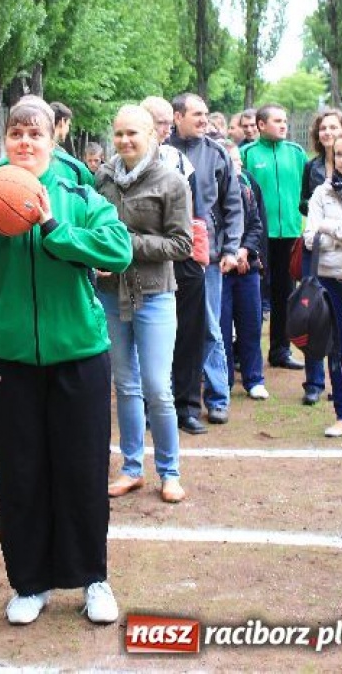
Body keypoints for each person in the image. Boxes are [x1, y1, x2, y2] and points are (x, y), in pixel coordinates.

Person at [0, 100, 132, 626]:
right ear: (5, 140)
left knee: (82, 470)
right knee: (18, 473)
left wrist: (50, 227)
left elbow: (118, 251)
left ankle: (93, 578)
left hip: (80, 354)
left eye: (34, 134)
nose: (25, 142)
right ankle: (29, 583)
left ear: (51, 139)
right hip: (11, 359)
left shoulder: (78, 192)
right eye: (16, 133)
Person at [95, 105, 192, 503]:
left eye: (132, 133)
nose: (124, 141)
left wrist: (126, 244)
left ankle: (170, 472)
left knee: (157, 387)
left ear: (152, 134)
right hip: (109, 294)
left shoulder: (171, 182)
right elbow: (92, 228)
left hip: (154, 294)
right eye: (118, 134)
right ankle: (131, 468)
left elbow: (182, 244)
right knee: (125, 385)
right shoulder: (102, 178)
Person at [167, 93, 243, 425]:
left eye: (206, 114)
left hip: (206, 258)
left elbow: (232, 205)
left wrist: (229, 249)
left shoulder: (216, 154)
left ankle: (217, 397)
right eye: (197, 114)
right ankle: (171, 397)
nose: (204, 120)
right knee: (170, 328)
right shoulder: (161, 153)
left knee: (209, 327)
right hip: (166, 255)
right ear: (177, 116)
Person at [142, 95, 208, 435]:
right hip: (142, 262)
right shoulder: (120, 163)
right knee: (145, 337)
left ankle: (186, 406)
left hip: (182, 260)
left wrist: (195, 256)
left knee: (189, 334)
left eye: (168, 122)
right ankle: (147, 406)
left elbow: (194, 213)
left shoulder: (181, 162)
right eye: (158, 122)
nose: (165, 129)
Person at [304, 129, 342, 438]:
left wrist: (331, 229)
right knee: (337, 347)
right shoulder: (321, 193)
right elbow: (311, 239)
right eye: (338, 154)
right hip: (329, 280)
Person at [241, 105, 306, 372]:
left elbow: (304, 192)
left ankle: (280, 350)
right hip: (258, 237)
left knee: (285, 295)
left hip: (289, 233)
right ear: (260, 125)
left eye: (285, 121)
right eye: (277, 121)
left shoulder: (297, 153)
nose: (283, 125)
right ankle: (244, 353)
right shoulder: (247, 154)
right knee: (253, 295)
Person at [298, 108, 342, 405]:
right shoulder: (313, 167)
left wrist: (332, 225)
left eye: (333, 127)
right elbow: (304, 205)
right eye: (323, 128)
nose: (327, 132)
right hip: (318, 252)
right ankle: (314, 382)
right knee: (315, 317)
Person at [220, 141, 268, 400]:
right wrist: (229, 253)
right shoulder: (211, 193)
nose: (237, 166)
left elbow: (256, 226)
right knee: (222, 327)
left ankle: (254, 378)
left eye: (239, 161)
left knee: (251, 324)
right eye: (232, 161)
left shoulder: (247, 189)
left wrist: (245, 251)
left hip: (247, 268)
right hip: (221, 269)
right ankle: (223, 381)